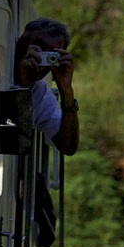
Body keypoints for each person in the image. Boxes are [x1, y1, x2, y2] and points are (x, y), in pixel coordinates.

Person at [15, 17, 79, 155]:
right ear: (21, 43)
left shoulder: (39, 93)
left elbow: (68, 147)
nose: (41, 58)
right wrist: (20, 83)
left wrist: (66, 91)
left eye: (51, 55)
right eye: (39, 47)